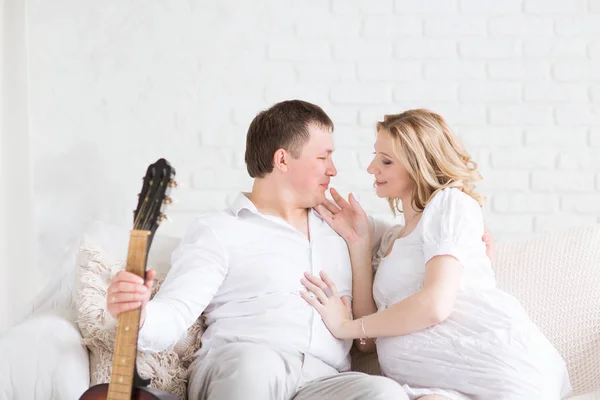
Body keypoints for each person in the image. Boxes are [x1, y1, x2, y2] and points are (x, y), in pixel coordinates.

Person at [105, 100, 409, 399]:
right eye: (323, 157)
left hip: (322, 380)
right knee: (255, 366)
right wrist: (139, 312)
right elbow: (174, 314)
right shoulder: (219, 230)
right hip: (244, 363)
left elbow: (419, 237)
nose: (333, 170)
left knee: (385, 393)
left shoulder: (345, 227)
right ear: (282, 160)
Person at [299, 109, 572, 400]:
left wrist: (345, 327)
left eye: (386, 161)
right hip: (441, 384)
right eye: (376, 155)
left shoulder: (450, 203)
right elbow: (368, 342)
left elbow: (434, 306)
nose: (371, 168)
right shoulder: (393, 238)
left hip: (495, 366)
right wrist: (359, 244)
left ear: (419, 165)